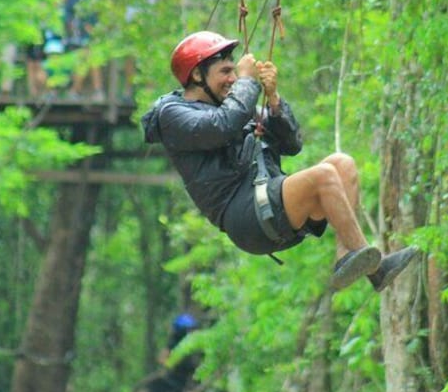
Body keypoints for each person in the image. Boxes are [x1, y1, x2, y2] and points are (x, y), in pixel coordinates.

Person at [142, 31, 418, 291]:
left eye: (234, 72)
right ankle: (377, 270)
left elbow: (292, 144)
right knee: (323, 175)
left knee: (341, 164)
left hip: (268, 200)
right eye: (225, 72)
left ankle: (346, 255)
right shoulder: (174, 115)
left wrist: (273, 99)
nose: (233, 79)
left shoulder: (235, 106)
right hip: (244, 216)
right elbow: (221, 127)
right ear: (197, 76)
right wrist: (249, 82)